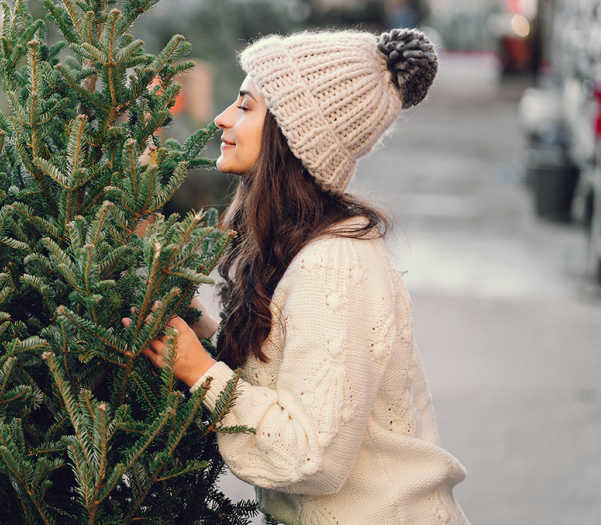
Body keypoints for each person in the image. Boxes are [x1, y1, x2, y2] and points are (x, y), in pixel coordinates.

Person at [123, 29, 470, 524]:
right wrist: (199, 328)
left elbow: (310, 454)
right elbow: (290, 378)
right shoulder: (300, 245)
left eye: (245, 106)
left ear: (293, 133)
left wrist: (200, 372)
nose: (222, 117)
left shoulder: (334, 266)